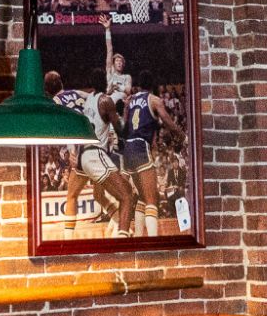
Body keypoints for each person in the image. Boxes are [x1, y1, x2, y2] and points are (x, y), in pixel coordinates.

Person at [44, 70, 133, 238]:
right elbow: (100, 108)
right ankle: (122, 230)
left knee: (77, 195)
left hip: (80, 151)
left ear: (47, 91)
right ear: (62, 83)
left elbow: (69, 124)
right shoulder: (80, 94)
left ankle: (68, 238)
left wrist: (70, 150)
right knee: (123, 194)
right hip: (96, 150)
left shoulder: (71, 100)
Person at [113, 86, 183, 237]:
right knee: (152, 198)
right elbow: (168, 122)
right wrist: (182, 135)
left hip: (127, 149)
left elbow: (124, 130)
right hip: (140, 146)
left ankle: (137, 236)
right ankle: (153, 241)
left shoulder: (130, 102)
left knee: (142, 197)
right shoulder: (153, 100)